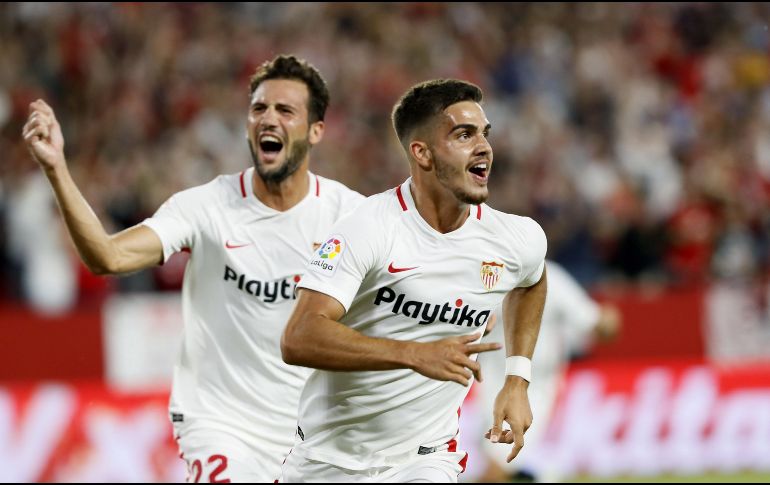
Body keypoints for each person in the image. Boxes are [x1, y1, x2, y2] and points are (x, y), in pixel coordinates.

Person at [21, 55, 364, 482]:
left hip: (312, 434)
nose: (268, 118)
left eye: (285, 110)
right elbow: (108, 257)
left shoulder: (350, 217)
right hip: (221, 425)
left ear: (316, 131)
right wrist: (57, 169)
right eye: (259, 108)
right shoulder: (206, 207)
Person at [279, 79, 548, 483]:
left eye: (484, 133)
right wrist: (414, 353)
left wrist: (517, 377)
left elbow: (532, 279)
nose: (483, 147)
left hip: (426, 458)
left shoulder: (515, 238)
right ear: (422, 153)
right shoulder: (369, 227)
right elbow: (299, 336)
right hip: (328, 460)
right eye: (464, 135)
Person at [474, 259, 621, 483]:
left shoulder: (551, 277)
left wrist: (605, 320)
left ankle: (527, 473)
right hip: (489, 379)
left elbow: (595, 323)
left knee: (500, 461)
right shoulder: (489, 271)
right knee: (497, 461)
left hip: (531, 387)